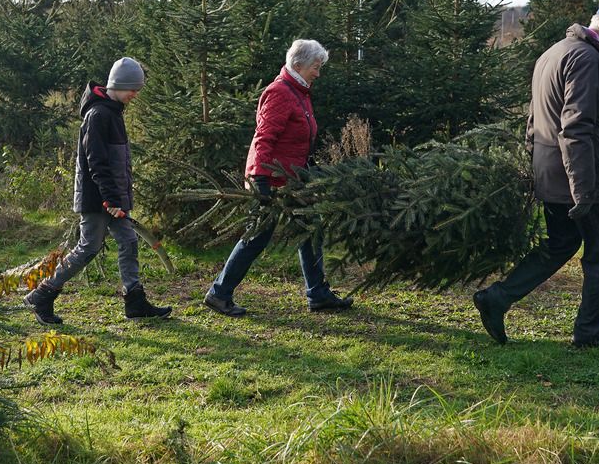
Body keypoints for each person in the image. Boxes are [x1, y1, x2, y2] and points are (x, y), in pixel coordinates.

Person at [473, 0, 599, 350]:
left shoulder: (554, 52)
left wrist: (535, 167)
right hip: (585, 176)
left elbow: (533, 120)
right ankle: (592, 333)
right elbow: (576, 129)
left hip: (552, 173)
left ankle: (497, 298)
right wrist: (584, 190)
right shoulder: (588, 60)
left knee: (562, 242)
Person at [203, 39, 353, 317]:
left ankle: (318, 294)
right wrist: (260, 179)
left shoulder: (300, 92)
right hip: (271, 179)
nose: (318, 73)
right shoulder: (280, 93)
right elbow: (264, 137)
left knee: (311, 230)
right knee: (257, 237)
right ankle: (219, 294)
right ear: (298, 65)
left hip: (294, 179)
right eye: (315, 67)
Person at [24, 57, 172, 324]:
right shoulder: (98, 115)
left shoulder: (113, 112)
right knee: (87, 248)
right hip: (98, 200)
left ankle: (135, 302)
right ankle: (42, 295)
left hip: (112, 198)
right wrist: (112, 199)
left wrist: (121, 198)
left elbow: (117, 163)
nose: (135, 95)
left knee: (127, 241)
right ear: (120, 84)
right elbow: (97, 163)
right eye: (133, 89)